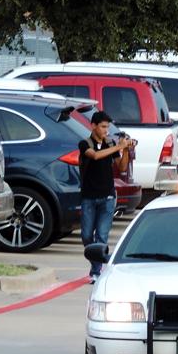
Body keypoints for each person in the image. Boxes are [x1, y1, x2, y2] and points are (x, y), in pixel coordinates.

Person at [79, 111, 133, 282]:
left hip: (108, 196)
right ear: (93, 126)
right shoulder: (85, 143)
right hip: (88, 196)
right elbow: (94, 156)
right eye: (102, 127)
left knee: (101, 235)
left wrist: (126, 150)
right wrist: (118, 146)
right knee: (87, 235)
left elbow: (122, 168)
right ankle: (95, 261)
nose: (105, 130)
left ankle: (95, 270)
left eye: (107, 127)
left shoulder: (110, 144)